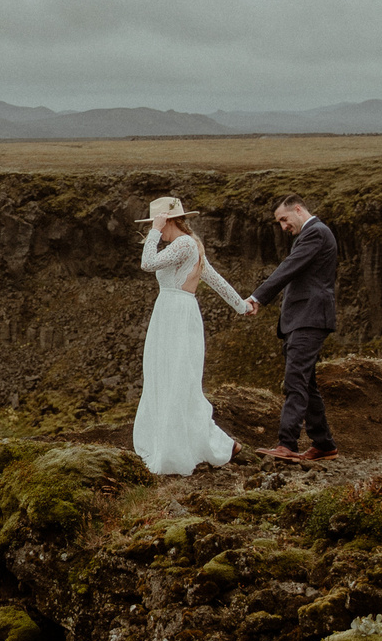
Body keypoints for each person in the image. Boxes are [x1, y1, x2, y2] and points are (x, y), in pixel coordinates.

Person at [132, 195, 247, 476]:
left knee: (178, 381)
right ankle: (196, 444)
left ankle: (218, 444)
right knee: (169, 379)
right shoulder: (187, 245)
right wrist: (242, 305)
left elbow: (148, 263)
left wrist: (155, 232)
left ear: (166, 220)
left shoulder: (183, 243)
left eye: (155, 222)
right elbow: (214, 279)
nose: (152, 228)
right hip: (171, 313)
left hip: (175, 314)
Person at [240, 196, 340, 462]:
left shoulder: (315, 233)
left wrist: (258, 297)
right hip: (305, 319)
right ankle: (324, 445)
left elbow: (288, 268)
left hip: (309, 319)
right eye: (279, 222)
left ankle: (287, 444)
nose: (283, 226)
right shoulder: (313, 235)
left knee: (295, 380)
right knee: (306, 383)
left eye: (284, 219)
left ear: (298, 209)